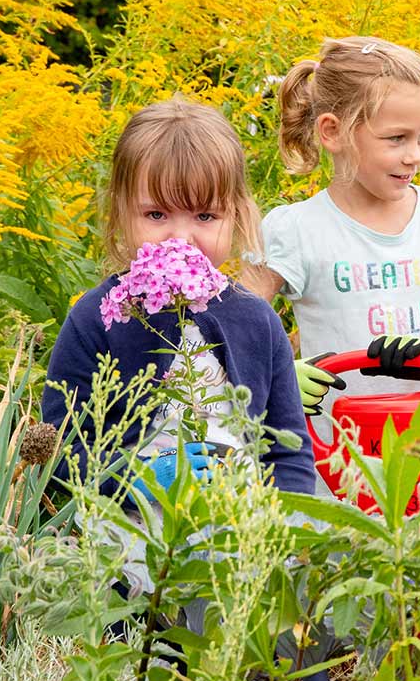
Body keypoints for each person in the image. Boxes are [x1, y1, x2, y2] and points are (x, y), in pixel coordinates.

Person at [41, 97, 315, 499]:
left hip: (240, 526)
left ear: (236, 215)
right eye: (156, 215)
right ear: (121, 212)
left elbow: (288, 453)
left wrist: (290, 522)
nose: (181, 238)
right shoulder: (97, 318)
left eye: (205, 216)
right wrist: (134, 478)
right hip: (129, 529)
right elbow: (59, 447)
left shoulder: (257, 320)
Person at [243, 35, 420, 418]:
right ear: (332, 132)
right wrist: (280, 373)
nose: (415, 155)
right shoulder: (296, 230)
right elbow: (235, 326)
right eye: (396, 138)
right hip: (339, 448)